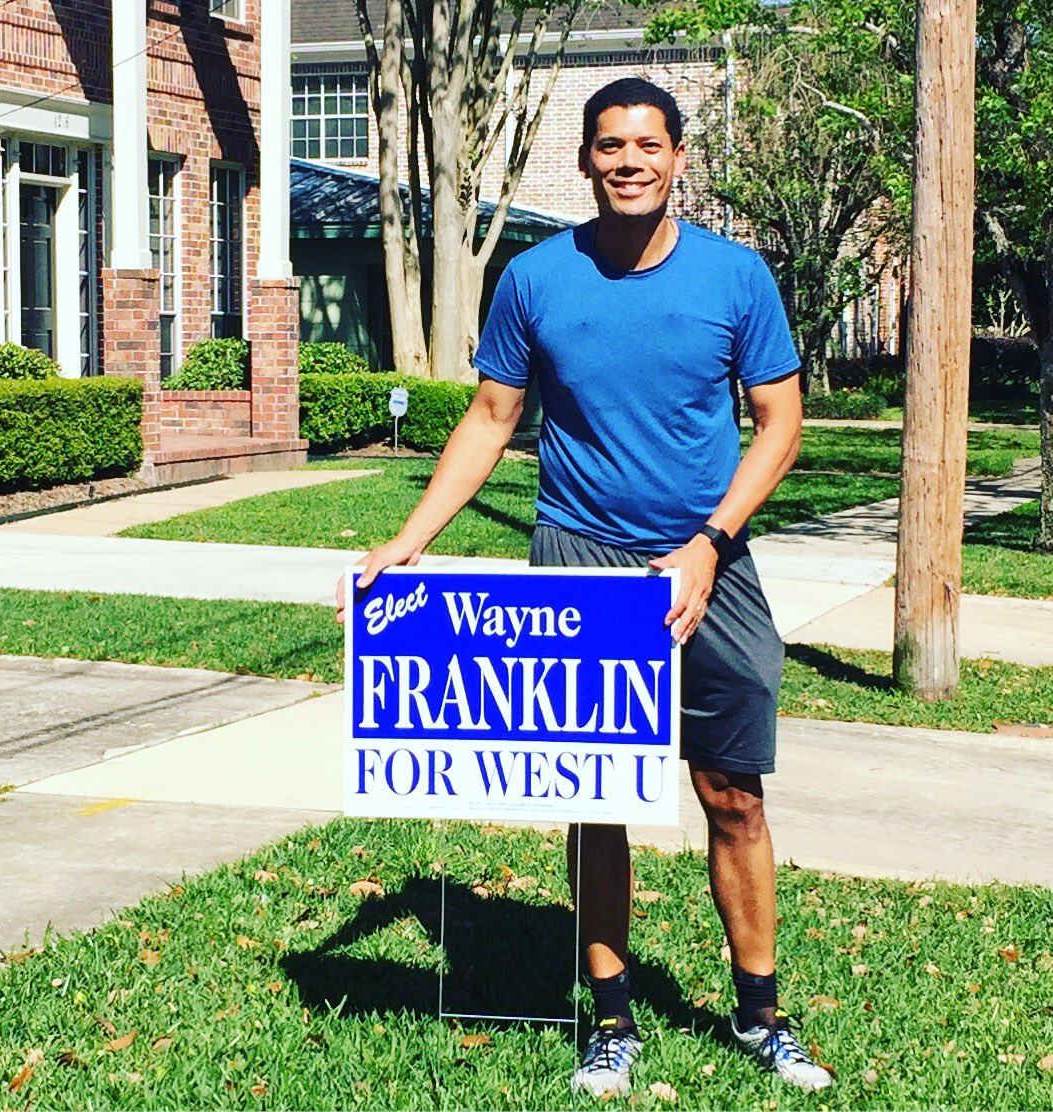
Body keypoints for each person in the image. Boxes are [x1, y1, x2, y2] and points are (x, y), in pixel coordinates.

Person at [336, 77, 833, 1097]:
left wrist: (706, 540)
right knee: (594, 796)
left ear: (678, 158)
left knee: (731, 791)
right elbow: (487, 416)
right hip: (579, 563)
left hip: (708, 558)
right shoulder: (533, 279)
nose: (628, 162)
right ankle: (609, 1022)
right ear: (583, 162)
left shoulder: (736, 278)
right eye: (608, 146)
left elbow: (778, 425)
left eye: (647, 145)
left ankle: (757, 1010)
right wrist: (407, 540)